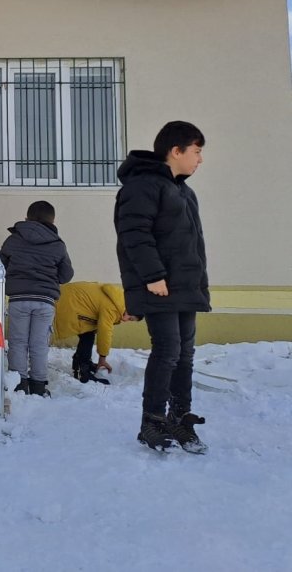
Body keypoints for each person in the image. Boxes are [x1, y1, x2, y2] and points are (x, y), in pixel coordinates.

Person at [115, 120, 210, 453]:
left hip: (184, 287)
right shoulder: (143, 186)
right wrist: (153, 276)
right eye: (196, 152)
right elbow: (134, 235)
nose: (199, 160)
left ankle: (179, 418)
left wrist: (199, 284)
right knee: (167, 351)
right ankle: (152, 422)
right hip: (160, 285)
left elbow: (192, 244)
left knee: (184, 354)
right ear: (176, 150)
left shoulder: (184, 191)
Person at [0, 200, 74, 398]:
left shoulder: (13, 240)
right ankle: (39, 387)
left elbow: (1, 265)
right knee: (39, 344)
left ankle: (19, 385)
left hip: (19, 298)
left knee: (17, 342)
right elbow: (66, 275)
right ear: (53, 220)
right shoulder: (57, 245)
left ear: (27, 218)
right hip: (45, 301)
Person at [51, 282, 138, 385]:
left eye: (130, 320)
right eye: (130, 317)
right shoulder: (114, 308)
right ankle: (82, 372)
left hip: (66, 298)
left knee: (89, 332)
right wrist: (103, 358)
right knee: (88, 335)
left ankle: (82, 363)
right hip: (66, 304)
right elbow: (105, 332)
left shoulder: (119, 299)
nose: (126, 320)